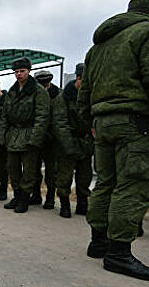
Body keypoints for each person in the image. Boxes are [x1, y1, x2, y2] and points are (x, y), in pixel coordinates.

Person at [78, 0, 149, 282]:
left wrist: (90, 122)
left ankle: (98, 242)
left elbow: (83, 91)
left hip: (103, 124)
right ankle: (119, 254)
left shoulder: (97, 46)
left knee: (105, 183)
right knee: (133, 186)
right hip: (136, 123)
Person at [0, 57, 50, 213]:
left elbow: (42, 117)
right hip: (13, 135)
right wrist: (2, 137)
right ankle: (17, 195)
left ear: (29, 71)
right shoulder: (12, 92)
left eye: (22, 71)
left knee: (29, 171)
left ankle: (25, 198)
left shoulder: (38, 91)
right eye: (16, 72)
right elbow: (5, 116)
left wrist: (35, 139)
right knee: (13, 168)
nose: (19, 74)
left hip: (29, 133)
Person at [52, 63, 93, 218]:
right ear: (78, 78)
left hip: (85, 143)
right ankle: (65, 204)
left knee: (85, 176)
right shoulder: (63, 98)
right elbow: (60, 124)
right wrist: (70, 147)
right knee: (64, 176)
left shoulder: (91, 97)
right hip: (67, 145)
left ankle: (83, 203)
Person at [31, 70, 61, 209]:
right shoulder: (32, 94)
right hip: (37, 137)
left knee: (51, 171)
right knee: (34, 169)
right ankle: (36, 195)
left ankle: (50, 198)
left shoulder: (59, 95)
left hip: (52, 139)